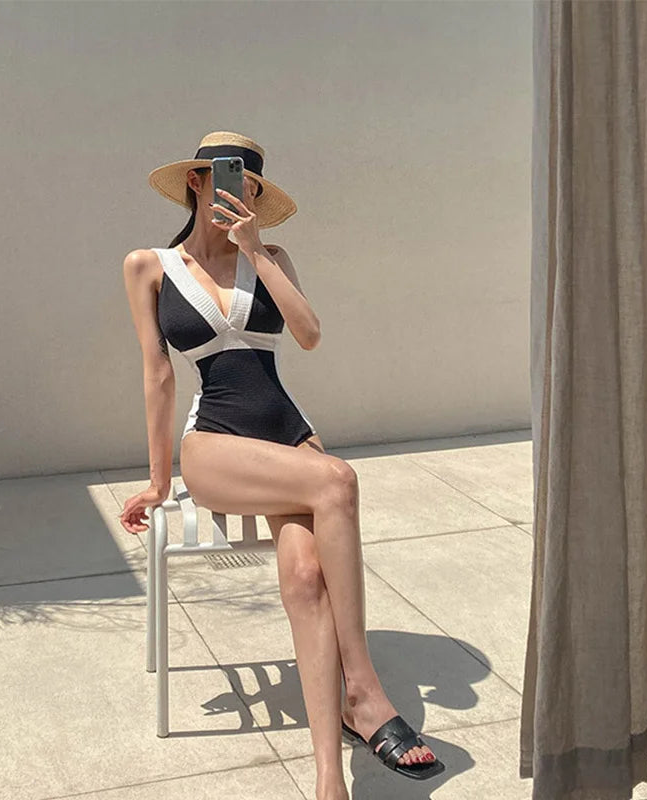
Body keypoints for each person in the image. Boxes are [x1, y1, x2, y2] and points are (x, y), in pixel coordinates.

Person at [119, 131, 444, 799]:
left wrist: (255, 251)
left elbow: (309, 334)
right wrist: (158, 481)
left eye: (248, 186)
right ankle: (364, 687)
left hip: (290, 438)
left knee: (304, 577)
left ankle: (328, 778)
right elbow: (158, 375)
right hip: (215, 444)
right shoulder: (150, 266)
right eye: (224, 178)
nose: (235, 192)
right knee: (339, 480)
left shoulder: (270, 256)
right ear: (196, 182)